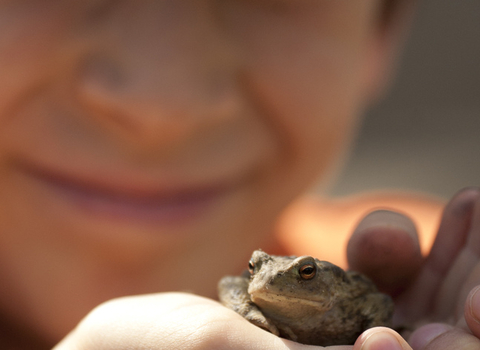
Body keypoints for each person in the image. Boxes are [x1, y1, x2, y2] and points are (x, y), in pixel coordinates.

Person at [0, 1, 479, 349]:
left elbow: (373, 305)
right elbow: (240, 286)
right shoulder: (255, 284)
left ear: (383, 25)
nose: (159, 107)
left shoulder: (444, 277)